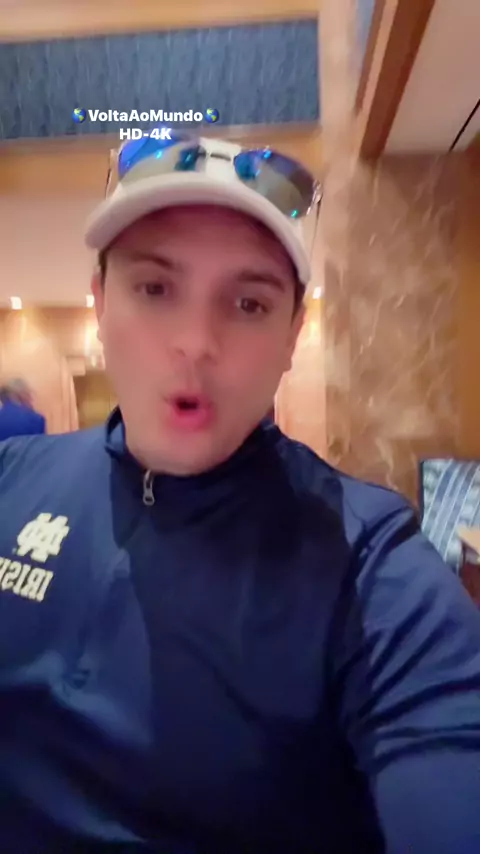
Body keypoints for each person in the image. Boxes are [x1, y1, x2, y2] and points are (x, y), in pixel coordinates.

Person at [0, 132, 479, 854]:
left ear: (291, 336)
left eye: (249, 303)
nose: (197, 341)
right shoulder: (12, 475)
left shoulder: (369, 566)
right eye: (155, 288)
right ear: (99, 302)